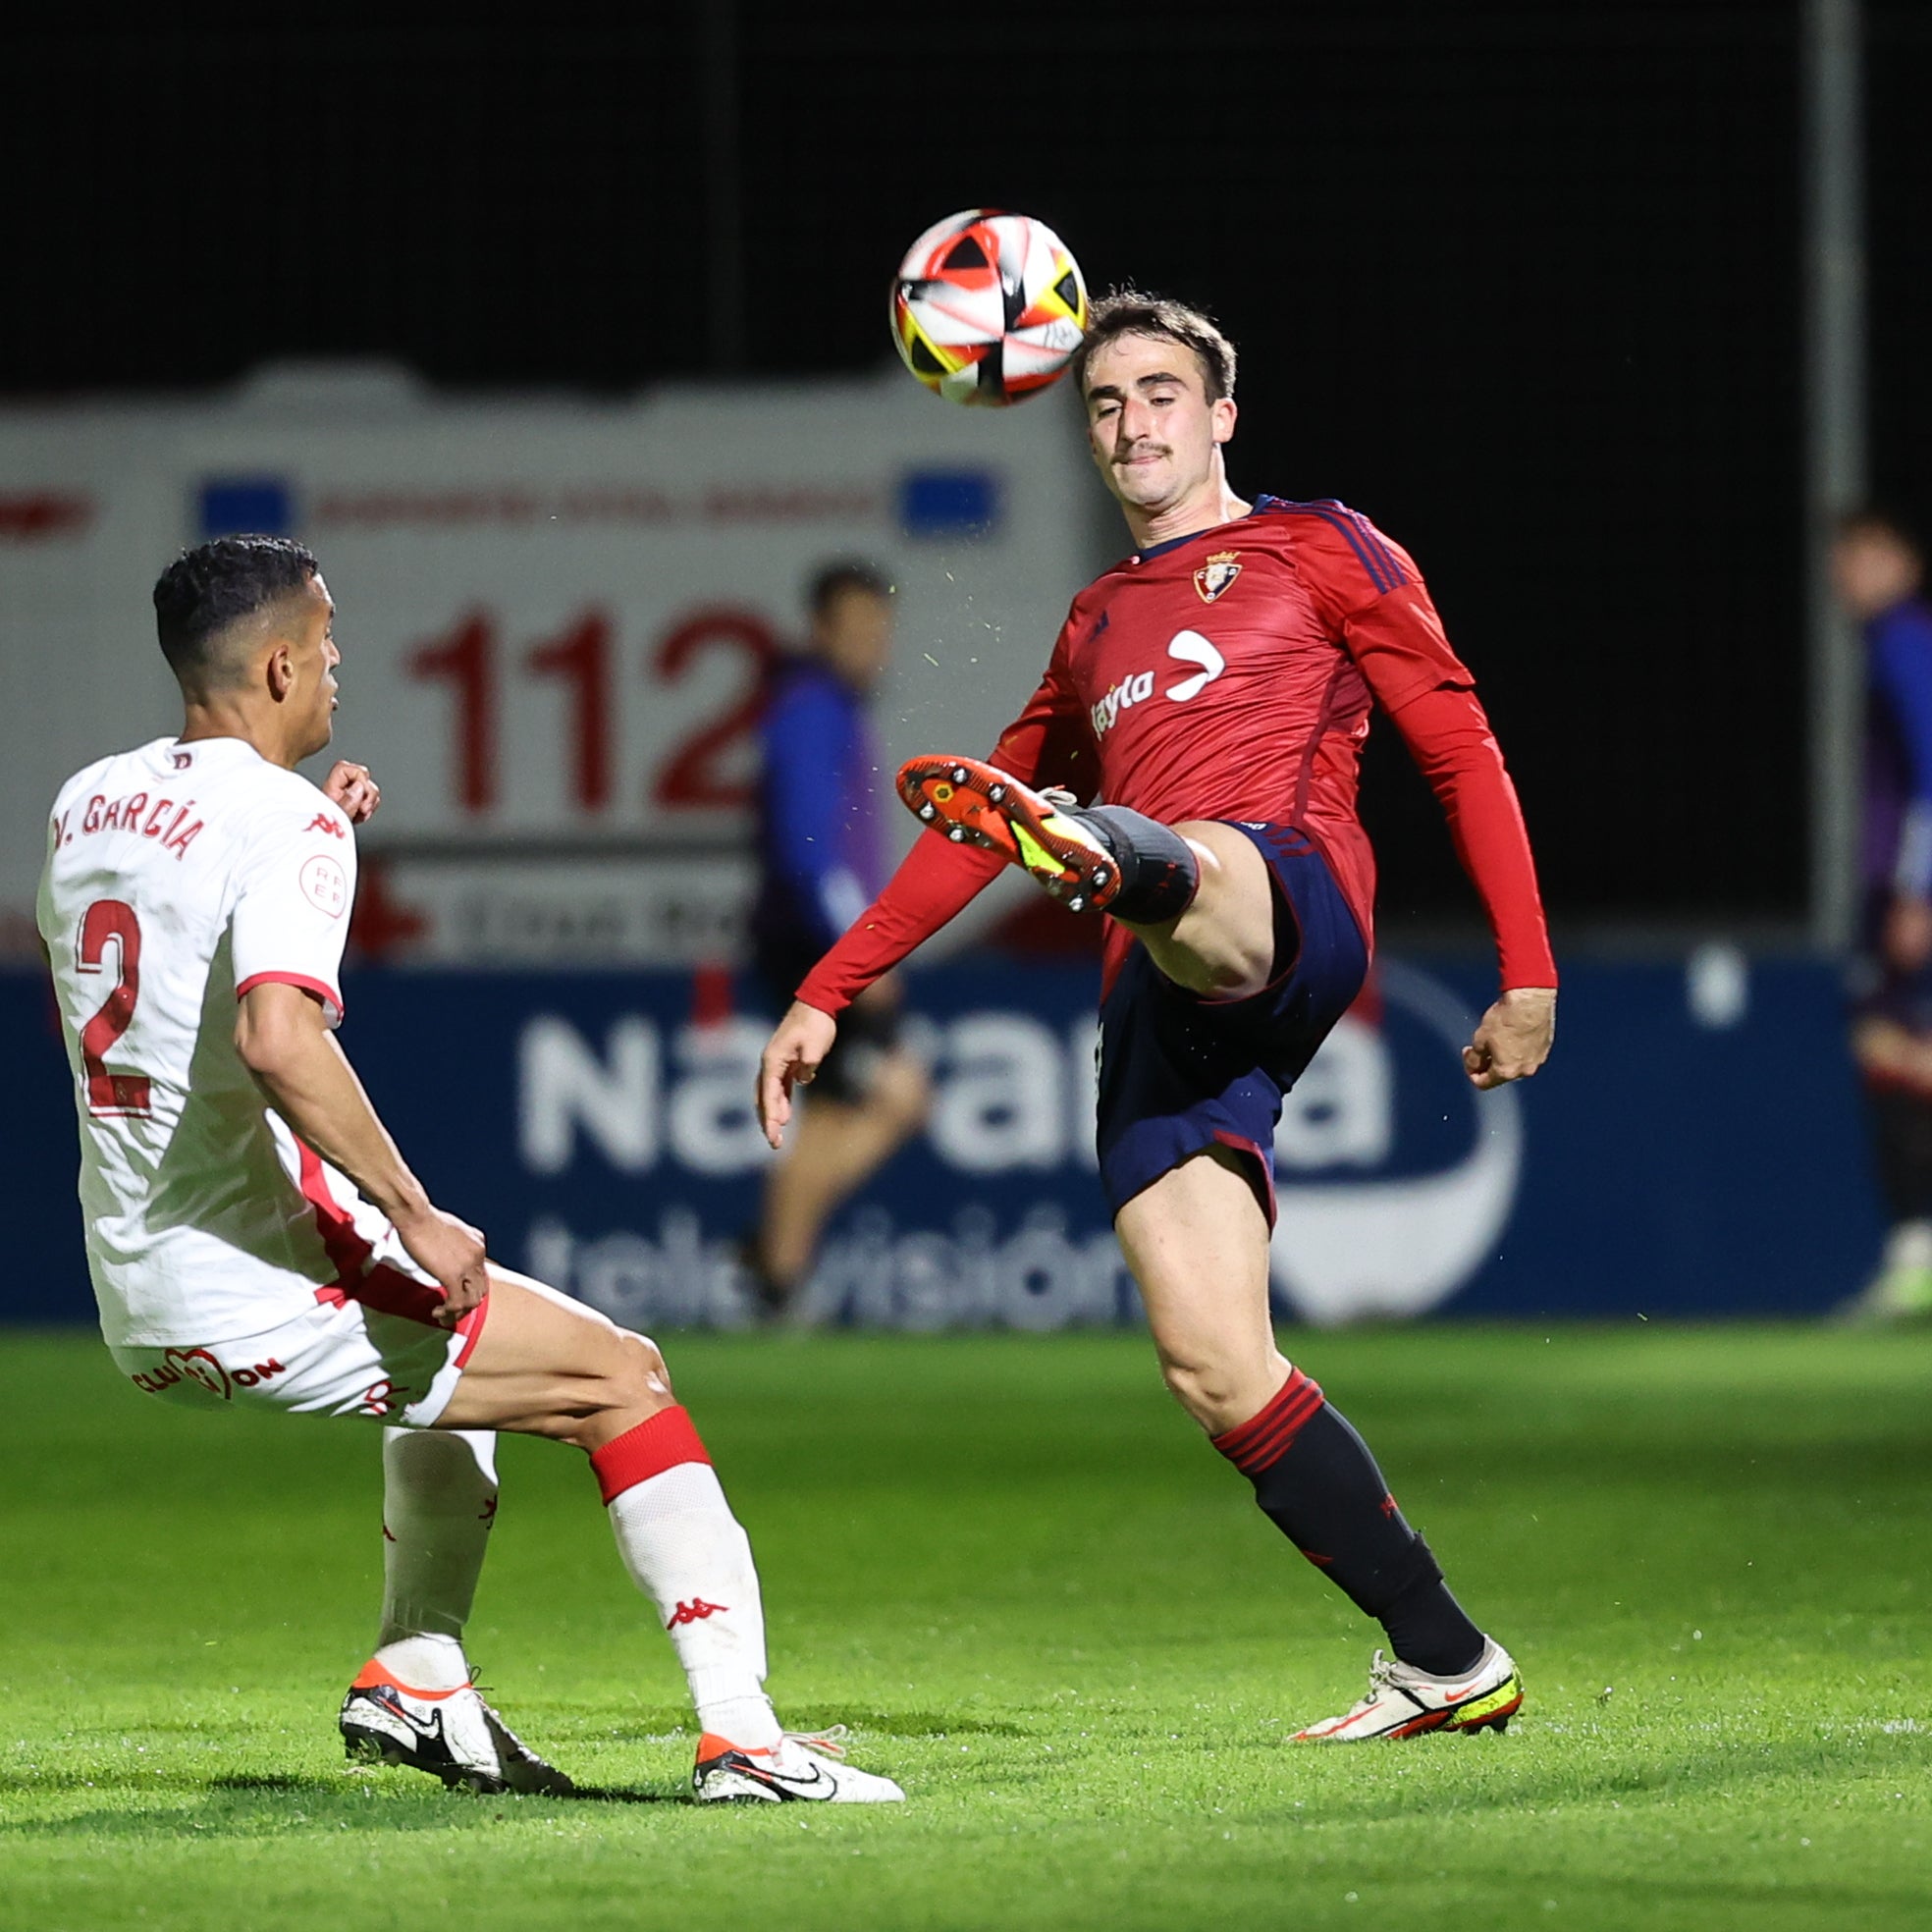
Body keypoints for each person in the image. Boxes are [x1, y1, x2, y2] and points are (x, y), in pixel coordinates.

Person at [758, 295, 1558, 1741]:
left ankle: (1122, 854)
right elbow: (963, 831)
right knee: (1213, 1361)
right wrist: (832, 985)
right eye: (1108, 402)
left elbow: (1458, 745)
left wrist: (1529, 966)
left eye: (1162, 393)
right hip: (1163, 995)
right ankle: (1448, 1660)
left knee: (1178, 858)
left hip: (1284, 894)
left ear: (1222, 413)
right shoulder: (1093, 623)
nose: (1135, 421)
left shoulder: (1324, 544)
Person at [36, 535, 902, 1804]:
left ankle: (421, 1675)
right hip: (256, 1270)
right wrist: (412, 1208)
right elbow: (276, 1037)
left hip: (133, 1281)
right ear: (277, 664)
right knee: (625, 1377)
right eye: (327, 642)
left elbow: (166, 957)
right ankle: (745, 1742)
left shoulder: (89, 801)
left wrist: (314, 827)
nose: (341, 665)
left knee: (448, 1381)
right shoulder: (282, 822)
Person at [744, 562, 929, 1315]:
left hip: (819, 939)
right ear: (820, 631)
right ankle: (776, 1262)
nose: (870, 645)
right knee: (890, 1095)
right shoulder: (812, 710)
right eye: (855, 629)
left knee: (845, 1107)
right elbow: (806, 847)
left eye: (878, 630)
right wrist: (860, 949)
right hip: (820, 946)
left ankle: (779, 1265)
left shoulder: (828, 709)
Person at [1832, 507, 1932, 1321]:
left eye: (1863, 554)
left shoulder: (1904, 640)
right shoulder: (1889, 643)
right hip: (1896, 888)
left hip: (1907, 893)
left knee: (1897, 1055)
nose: (1845, 573)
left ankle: (1915, 1253)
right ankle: (1914, 1251)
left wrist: (1917, 888)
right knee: (1890, 1053)